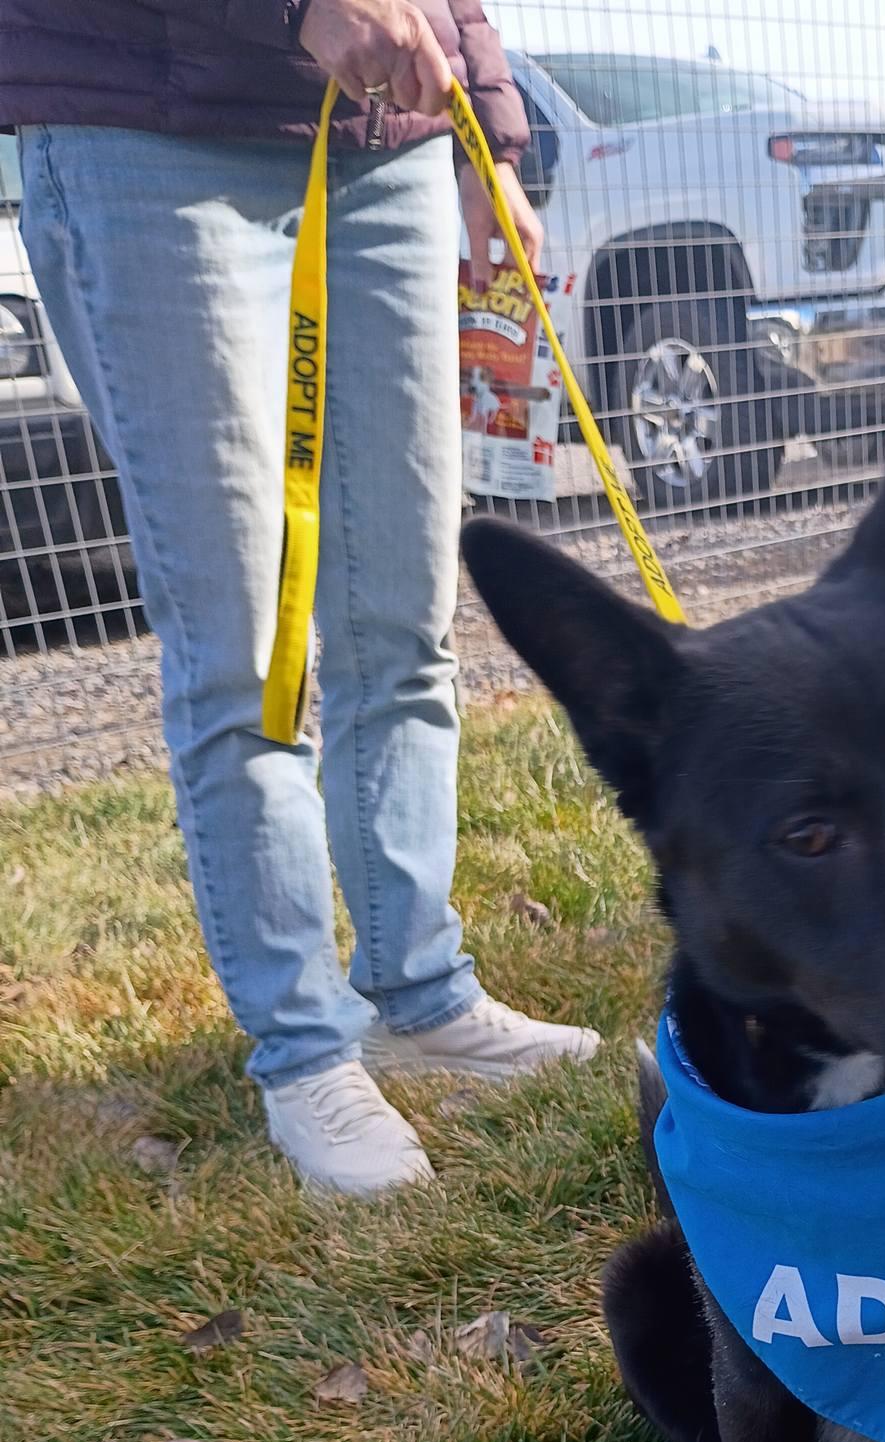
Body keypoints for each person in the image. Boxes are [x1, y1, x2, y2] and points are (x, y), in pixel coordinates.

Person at [0, 0, 600, 1195]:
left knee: (402, 622)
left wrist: (486, 128)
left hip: (392, 145)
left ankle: (419, 994)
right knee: (247, 644)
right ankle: (307, 1049)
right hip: (151, 133)